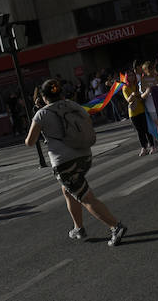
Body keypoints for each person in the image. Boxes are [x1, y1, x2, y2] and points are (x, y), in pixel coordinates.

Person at [24, 79, 127, 246]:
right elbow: (87, 121)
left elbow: (30, 142)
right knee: (68, 190)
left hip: (64, 163)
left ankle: (115, 226)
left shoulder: (41, 114)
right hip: (85, 156)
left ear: (43, 97)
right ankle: (78, 228)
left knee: (86, 198)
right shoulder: (72, 105)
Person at [122, 70, 155, 156]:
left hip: (142, 110)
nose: (131, 77)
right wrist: (133, 94)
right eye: (129, 76)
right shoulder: (125, 87)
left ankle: (152, 146)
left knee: (147, 129)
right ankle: (144, 147)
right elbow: (128, 100)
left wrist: (139, 96)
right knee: (139, 131)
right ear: (126, 77)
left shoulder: (138, 85)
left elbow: (142, 96)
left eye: (132, 75)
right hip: (133, 112)